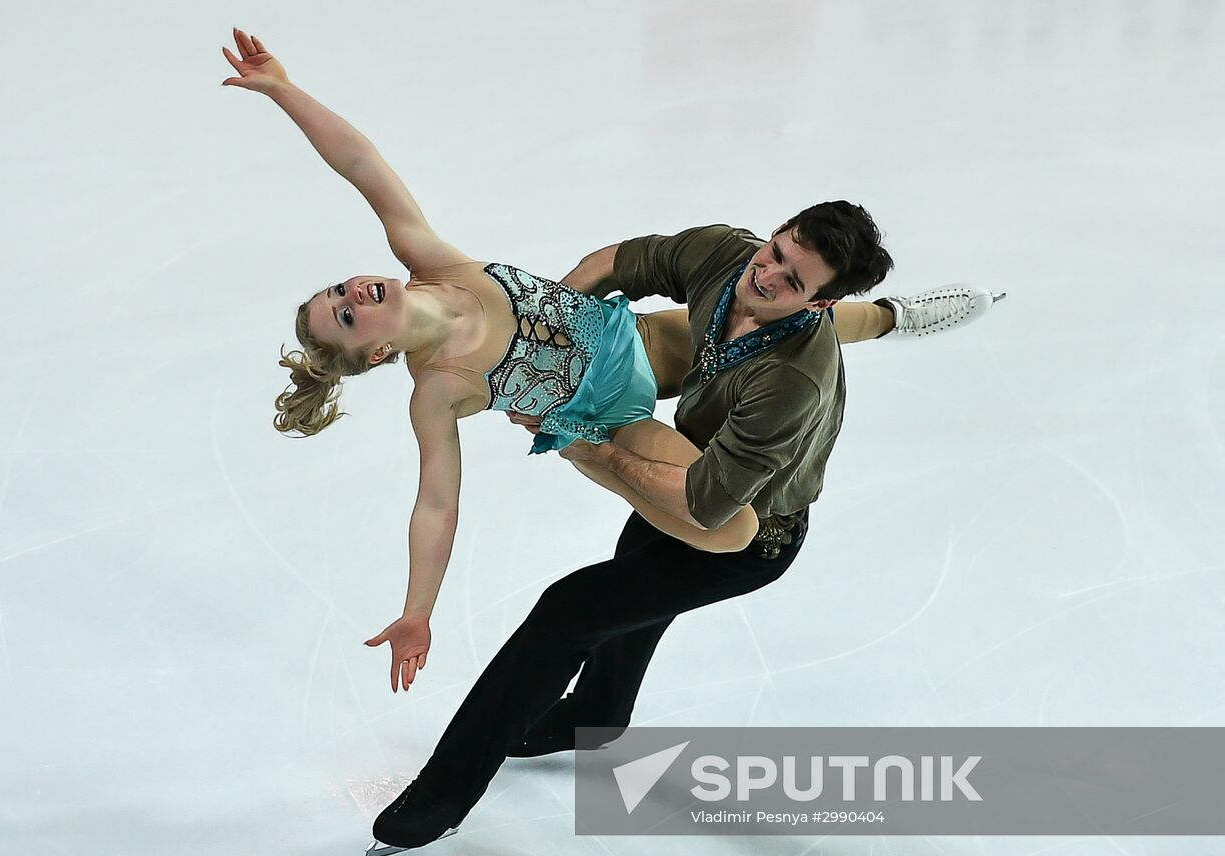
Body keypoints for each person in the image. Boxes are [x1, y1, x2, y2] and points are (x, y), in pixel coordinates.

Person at [219, 29, 997, 702]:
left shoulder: (430, 262)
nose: (350, 293)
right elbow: (435, 505)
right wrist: (419, 608)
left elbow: (360, 163)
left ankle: (897, 316)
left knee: (775, 320)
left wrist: (284, 91)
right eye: (347, 318)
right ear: (378, 351)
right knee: (725, 524)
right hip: (605, 415)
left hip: (628, 340)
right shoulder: (438, 389)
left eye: (335, 292)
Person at [365, 206, 970, 856]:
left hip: (748, 533)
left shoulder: (791, 380)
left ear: (818, 302)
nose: (764, 274)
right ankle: (594, 718)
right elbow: (626, 259)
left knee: (570, 610)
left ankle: (441, 796)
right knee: (627, 600)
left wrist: (585, 437)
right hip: (690, 465)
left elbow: (705, 505)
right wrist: (559, 332)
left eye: (791, 279)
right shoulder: (730, 256)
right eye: (774, 251)